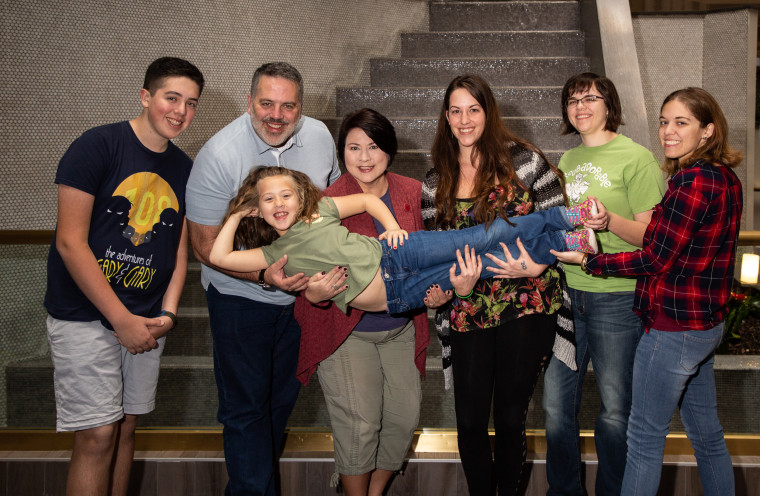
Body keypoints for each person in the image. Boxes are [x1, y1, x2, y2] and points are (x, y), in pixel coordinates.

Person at [553, 87, 742, 496]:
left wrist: (590, 263)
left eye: (681, 122)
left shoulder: (691, 182)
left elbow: (655, 257)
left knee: (642, 439)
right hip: (705, 325)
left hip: (674, 327)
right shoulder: (724, 177)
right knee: (707, 437)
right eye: (663, 121)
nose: (668, 132)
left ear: (708, 131)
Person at [43, 57, 204, 496]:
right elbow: (69, 243)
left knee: (126, 425)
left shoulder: (184, 168)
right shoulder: (96, 145)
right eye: (172, 98)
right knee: (97, 434)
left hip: (146, 318)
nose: (180, 112)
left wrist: (168, 313)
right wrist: (120, 319)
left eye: (191, 104)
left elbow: (178, 250)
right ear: (145, 96)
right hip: (86, 316)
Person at [185, 62, 340, 495]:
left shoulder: (320, 138)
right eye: (267, 103)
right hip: (239, 300)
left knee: (279, 406)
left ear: (301, 107)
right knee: (245, 409)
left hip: (299, 301)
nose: (277, 115)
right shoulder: (220, 154)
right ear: (250, 101)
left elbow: (326, 211)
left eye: (287, 106)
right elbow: (203, 246)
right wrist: (266, 277)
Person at [419, 73, 575, 495]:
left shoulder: (523, 161)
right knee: (469, 422)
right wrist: (449, 291)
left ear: (488, 112)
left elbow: (563, 226)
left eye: (474, 109)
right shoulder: (436, 181)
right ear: (445, 117)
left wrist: (537, 267)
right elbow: (436, 252)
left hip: (527, 302)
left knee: (509, 418)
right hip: (469, 307)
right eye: (455, 110)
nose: (464, 119)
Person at [210, 165, 599, 314]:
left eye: (286, 195)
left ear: (301, 196)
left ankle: (564, 217)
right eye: (268, 200)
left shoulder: (320, 212)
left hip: (396, 251)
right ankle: (563, 241)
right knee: (487, 263)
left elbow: (365, 198)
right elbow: (220, 256)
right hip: (399, 295)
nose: (279, 204)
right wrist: (237, 213)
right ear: (257, 209)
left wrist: (391, 223)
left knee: (485, 235)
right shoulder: (272, 253)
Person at [293, 108, 429, 496]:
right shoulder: (325, 203)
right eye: (354, 148)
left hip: (401, 329)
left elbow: (430, 256)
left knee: (404, 420)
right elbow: (301, 270)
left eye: (373, 147)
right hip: (346, 333)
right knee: (360, 424)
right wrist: (311, 292)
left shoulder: (412, 193)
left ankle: (375, 490)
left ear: (389, 149)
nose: (364, 158)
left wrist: (441, 290)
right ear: (342, 153)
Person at [541, 72, 666, 496]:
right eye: (573, 100)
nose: (581, 106)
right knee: (556, 408)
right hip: (568, 296)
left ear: (609, 105)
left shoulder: (637, 158)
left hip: (616, 298)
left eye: (590, 98)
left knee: (615, 412)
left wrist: (610, 221)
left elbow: (653, 238)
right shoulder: (568, 160)